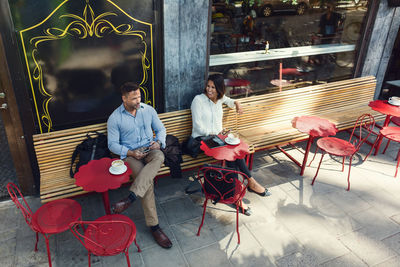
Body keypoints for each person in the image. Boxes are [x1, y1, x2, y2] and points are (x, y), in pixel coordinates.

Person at [189, 74, 271, 215]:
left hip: (218, 139)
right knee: (231, 154)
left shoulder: (220, 99)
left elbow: (230, 101)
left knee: (234, 153)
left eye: (213, 87)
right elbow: (198, 127)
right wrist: (219, 133)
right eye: (208, 86)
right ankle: (247, 186)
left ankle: (240, 190)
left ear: (219, 89)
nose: (209, 90)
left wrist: (237, 104)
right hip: (201, 140)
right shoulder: (198, 100)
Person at [107, 82, 172, 249]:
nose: (138, 100)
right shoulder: (115, 118)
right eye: (134, 98)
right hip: (131, 155)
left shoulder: (148, 110)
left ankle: (130, 198)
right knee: (147, 183)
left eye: (139, 97)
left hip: (150, 149)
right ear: (124, 98)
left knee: (160, 156)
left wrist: (158, 141)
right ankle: (155, 227)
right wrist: (131, 153)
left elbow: (161, 129)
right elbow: (112, 145)